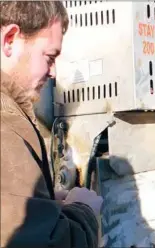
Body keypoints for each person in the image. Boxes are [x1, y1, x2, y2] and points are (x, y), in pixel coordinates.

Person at [0, 2, 103, 247]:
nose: (54, 71)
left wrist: (42, 204)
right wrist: (84, 211)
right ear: (10, 39)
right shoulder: (5, 124)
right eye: (49, 57)